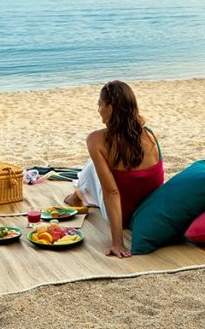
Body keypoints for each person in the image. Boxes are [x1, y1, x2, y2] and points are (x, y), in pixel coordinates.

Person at [64, 80, 164, 258]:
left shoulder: (96, 139)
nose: (98, 110)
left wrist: (118, 243)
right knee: (99, 164)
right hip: (147, 212)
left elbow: (112, 193)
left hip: (122, 217)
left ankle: (77, 195)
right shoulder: (149, 134)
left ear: (110, 109)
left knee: (93, 165)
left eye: (100, 104)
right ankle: (78, 194)